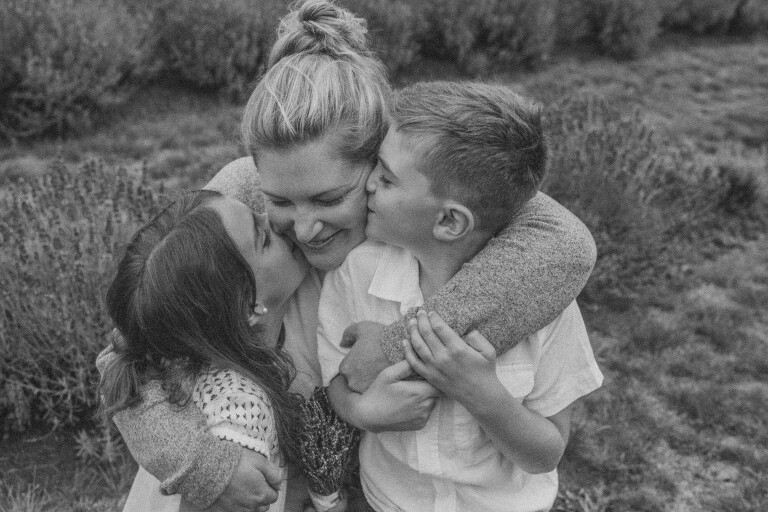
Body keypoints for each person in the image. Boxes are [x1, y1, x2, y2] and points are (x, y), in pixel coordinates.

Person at [97, 1, 598, 511]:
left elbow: (566, 245)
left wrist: (391, 349)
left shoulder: (418, 217)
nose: (305, 227)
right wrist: (201, 466)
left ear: (381, 162)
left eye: (331, 198)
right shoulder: (242, 195)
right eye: (280, 202)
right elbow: (130, 349)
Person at [318, 81, 604, 512]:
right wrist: (360, 413)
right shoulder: (358, 274)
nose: (368, 184)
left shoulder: (548, 304)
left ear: (450, 221)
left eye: (387, 177)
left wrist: (481, 393)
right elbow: (336, 383)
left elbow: (546, 453)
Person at [99, 190, 310, 512]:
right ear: (246, 307)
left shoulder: (184, 360)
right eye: (263, 239)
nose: (278, 221)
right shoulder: (241, 408)